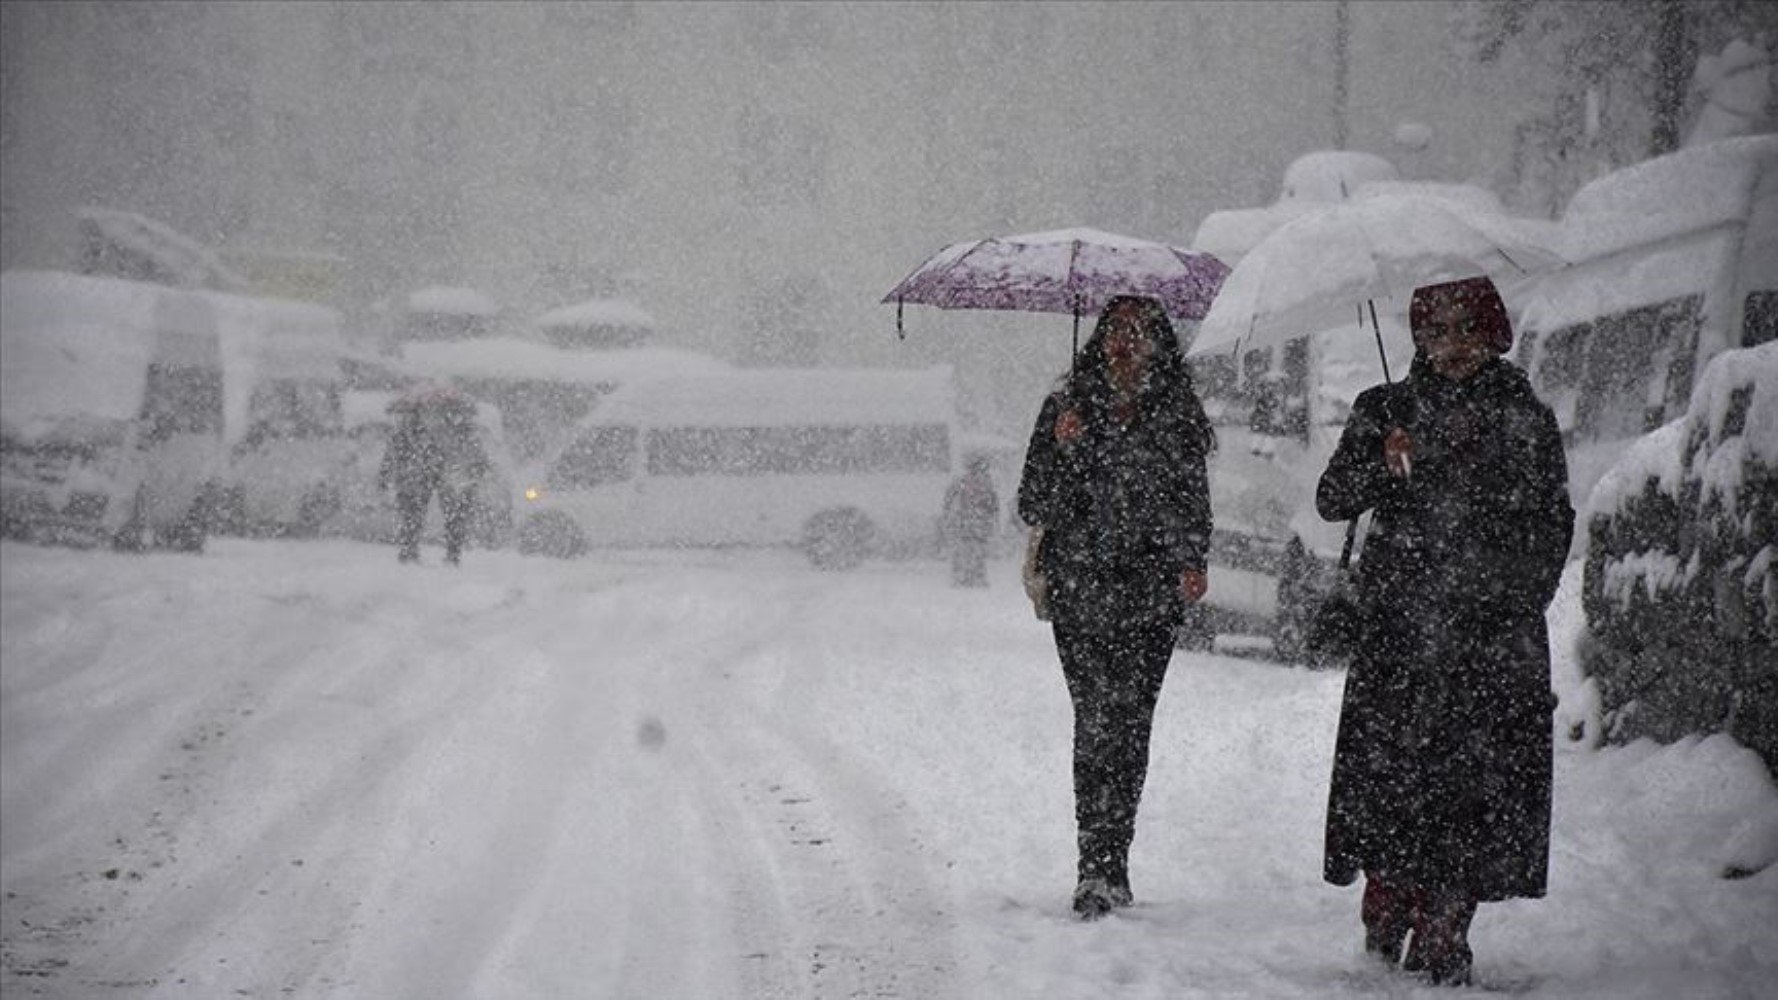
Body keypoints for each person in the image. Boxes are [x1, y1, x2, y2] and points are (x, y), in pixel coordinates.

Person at [1316, 276, 1573, 985]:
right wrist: (1380, 461)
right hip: (1400, 635)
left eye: (1467, 330)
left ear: (1494, 334)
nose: (1453, 346)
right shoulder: (1385, 408)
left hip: (1490, 640)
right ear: (1419, 338)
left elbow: (1552, 524)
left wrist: (1514, 598)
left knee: (1472, 791)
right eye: (1437, 331)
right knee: (1394, 782)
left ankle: (1447, 925)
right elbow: (1331, 498)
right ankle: (1390, 897)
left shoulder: (1524, 417)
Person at [1016, 295, 1215, 919]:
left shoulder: (1177, 414)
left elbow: (1191, 501)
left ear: (1160, 344)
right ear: (1099, 339)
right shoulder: (1065, 409)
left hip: (1150, 595)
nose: (1126, 343)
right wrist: (1065, 447)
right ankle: (1092, 866)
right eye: (1116, 331)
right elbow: (1032, 502)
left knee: (1130, 726)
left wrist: (1191, 560)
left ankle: (1115, 859)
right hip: (1081, 590)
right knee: (1095, 720)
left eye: (1141, 332)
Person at [378, 387, 491, 566]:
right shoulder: (461, 432)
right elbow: (477, 456)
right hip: (448, 478)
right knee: (450, 516)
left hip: (421, 476)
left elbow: (392, 455)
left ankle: (412, 551)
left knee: (414, 515)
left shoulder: (411, 432)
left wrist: (386, 474)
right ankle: (448, 554)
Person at [941, 453, 1000, 587]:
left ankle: (965, 577)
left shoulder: (963, 481)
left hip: (968, 521)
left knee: (966, 551)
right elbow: (994, 505)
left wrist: (948, 512)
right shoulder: (984, 483)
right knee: (974, 552)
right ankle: (974, 577)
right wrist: (992, 518)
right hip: (976, 522)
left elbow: (949, 498)